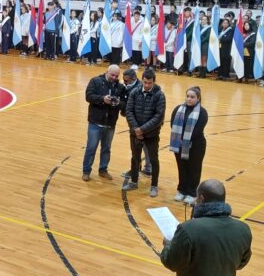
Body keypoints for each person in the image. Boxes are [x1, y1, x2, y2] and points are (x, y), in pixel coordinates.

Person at [160, 179, 252, 276]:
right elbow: (242, 263)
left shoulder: (188, 229)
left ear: (201, 199)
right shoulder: (243, 229)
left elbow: (172, 263)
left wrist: (168, 244)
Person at [124, 69, 166, 197]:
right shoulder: (134, 92)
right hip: (135, 133)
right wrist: (136, 129)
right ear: (142, 80)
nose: (147, 85)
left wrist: (142, 130)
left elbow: (158, 117)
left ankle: (154, 185)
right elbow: (129, 111)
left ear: (154, 81)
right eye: (145, 82)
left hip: (151, 134)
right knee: (135, 157)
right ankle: (134, 182)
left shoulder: (159, 95)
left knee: (154, 159)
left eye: (150, 83)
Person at [82, 65, 125, 181]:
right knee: (91, 148)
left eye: (117, 76)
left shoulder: (120, 87)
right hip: (95, 122)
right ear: (107, 72)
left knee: (106, 148)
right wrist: (102, 99)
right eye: (112, 75)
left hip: (110, 123)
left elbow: (125, 103)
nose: (114, 77)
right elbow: (88, 96)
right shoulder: (95, 81)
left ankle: (103, 170)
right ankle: (86, 171)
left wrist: (119, 103)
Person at [169, 87, 209, 205]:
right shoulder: (178, 109)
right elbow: (173, 124)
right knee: (182, 168)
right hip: (179, 144)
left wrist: (185, 139)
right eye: (188, 96)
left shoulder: (202, 112)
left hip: (196, 145)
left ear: (198, 98)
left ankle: (192, 193)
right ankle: (181, 190)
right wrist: (180, 139)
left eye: (192, 97)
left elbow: (197, 130)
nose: (189, 99)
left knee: (194, 169)